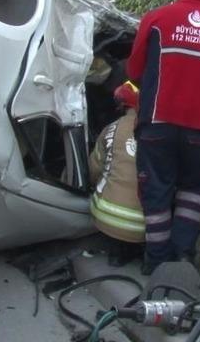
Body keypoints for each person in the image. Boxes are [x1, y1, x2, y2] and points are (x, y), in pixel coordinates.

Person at [126, 0, 200, 274]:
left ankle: (156, 262)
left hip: (157, 122)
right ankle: (183, 256)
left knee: (156, 189)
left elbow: (134, 70)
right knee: (192, 189)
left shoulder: (156, 19)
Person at [89, 81, 145, 267]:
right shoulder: (158, 133)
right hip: (145, 225)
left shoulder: (111, 129)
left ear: (122, 107)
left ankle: (117, 250)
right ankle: (134, 247)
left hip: (104, 214)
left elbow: (94, 168)